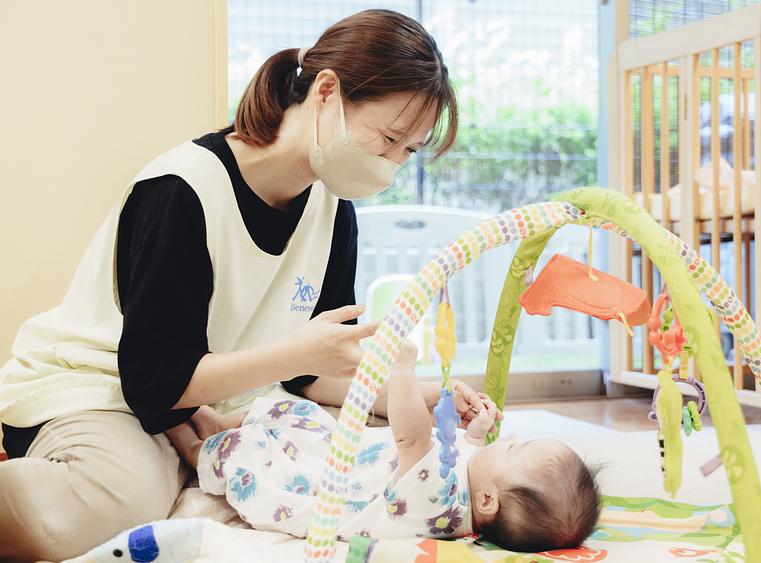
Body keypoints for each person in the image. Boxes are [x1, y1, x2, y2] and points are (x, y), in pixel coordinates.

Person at [0, 9, 489, 561]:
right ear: (326, 92)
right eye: (390, 138)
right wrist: (288, 362)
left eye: (408, 151)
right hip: (102, 389)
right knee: (114, 506)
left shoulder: (332, 211)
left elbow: (311, 372)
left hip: (208, 399)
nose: (392, 165)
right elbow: (154, 380)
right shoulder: (185, 190)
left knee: (351, 460)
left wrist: (422, 398)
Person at [171, 342, 600, 552]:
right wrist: (475, 433)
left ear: (488, 500)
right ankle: (215, 422)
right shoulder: (467, 499)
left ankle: (184, 439)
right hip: (348, 458)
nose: (508, 440)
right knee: (300, 419)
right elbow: (461, 454)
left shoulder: (440, 505)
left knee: (255, 460)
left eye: (513, 451)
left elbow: (410, 437)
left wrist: (403, 373)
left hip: (330, 487)